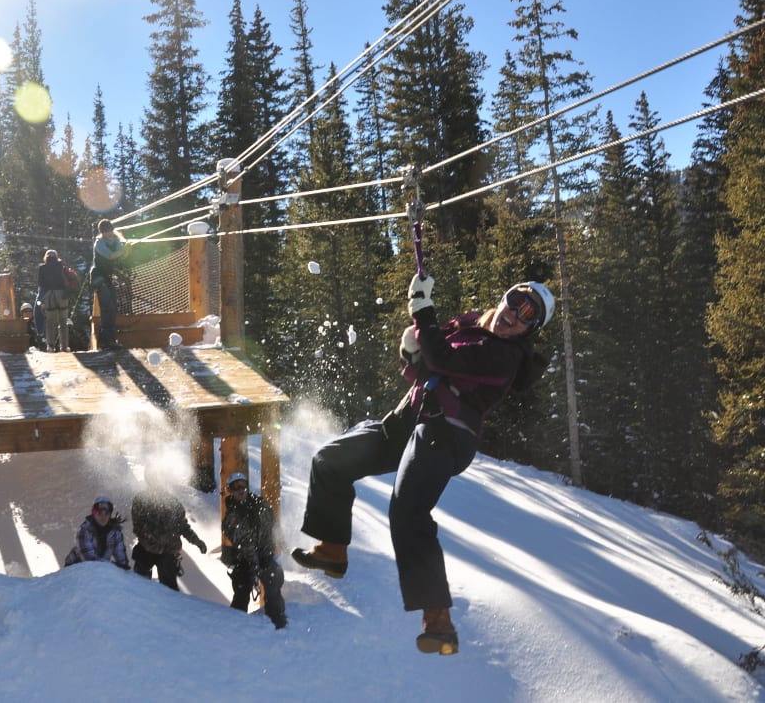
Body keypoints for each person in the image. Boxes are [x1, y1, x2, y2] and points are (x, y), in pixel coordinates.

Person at [291, 277, 554, 656]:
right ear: (504, 298)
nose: (514, 315)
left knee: (408, 511)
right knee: (330, 460)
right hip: (406, 420)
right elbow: (426, 358)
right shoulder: (469, 326)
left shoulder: (505, 356)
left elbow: (443, 359)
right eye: (515, 302)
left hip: (445, 431)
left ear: (530, 331)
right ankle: (332, 549)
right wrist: (412, 345)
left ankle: (439, 621)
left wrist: (423, 310)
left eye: (528, 316)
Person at [221, 472, 287, 630]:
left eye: (243, 485)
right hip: (244, 561)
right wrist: (253, 565)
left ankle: (278, 624)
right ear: (230, 490)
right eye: (236, 487)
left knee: (273, 583)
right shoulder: (231, 517)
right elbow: (245, 542)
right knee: (242, 592)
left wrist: (282, 542)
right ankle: (236, 628)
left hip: (264, 555)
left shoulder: (259, 505)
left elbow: (273, 524)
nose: (240, 490)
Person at [130, 473, 207, 590]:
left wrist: (197, 542)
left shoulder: (173, 503)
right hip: (146, 550)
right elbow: (137, 526)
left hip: (168, 552)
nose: (156, 482)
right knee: (139, 587)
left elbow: (183, 527)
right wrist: (150, 538)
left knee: (170, 591)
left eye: (158, 478)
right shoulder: (140, 500)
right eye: (152, 478)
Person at [90, 219, 128, 350]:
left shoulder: (116, 241)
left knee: (113, 309)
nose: (109, 233)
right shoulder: (99, 243)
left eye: (110, 230)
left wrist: (126, 250)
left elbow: (121, 255)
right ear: (102, 233)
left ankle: (110, 339)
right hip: (98, 278)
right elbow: (111, 256)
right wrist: (123, 251)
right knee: (107, 308)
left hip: (108, 278)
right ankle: (107, 340)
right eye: (105, 232)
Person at [63, 496, 130, 569]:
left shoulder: (115, 532)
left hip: (100, 568)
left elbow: (122, 560)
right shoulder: (85, 530)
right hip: (76, 567)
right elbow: (89, 560)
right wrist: (112, 565)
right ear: (94, 514)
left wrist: (123, 567)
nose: (103, 517)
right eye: (100, 513)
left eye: (106, 513)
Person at [38, 249, 73, 352]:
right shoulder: (61, 266)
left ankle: (50, 346)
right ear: (56, 256)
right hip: (62, 295)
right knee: (63, 321)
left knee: (50, 322)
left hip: (49, 295)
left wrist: (41, 299)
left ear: (46, 257)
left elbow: (41, 284)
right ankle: (64, 346)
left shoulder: (42, 268)